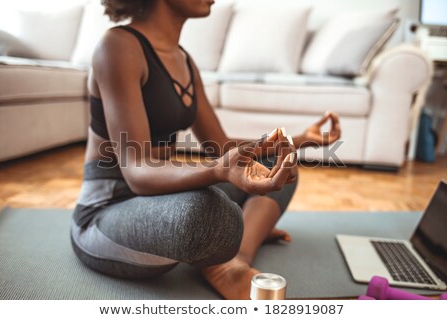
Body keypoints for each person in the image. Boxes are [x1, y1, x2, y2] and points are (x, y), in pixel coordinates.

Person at [70, 0, 341, 300]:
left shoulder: (183, 60)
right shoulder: (117, 46)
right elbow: (137, 170)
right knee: (205, 213)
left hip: (159, 196)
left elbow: (221, 147)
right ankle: (234, 231)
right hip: (106, 213)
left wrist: (300, 140)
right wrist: (217, 170)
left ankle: (232, 261)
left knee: (274, 164)